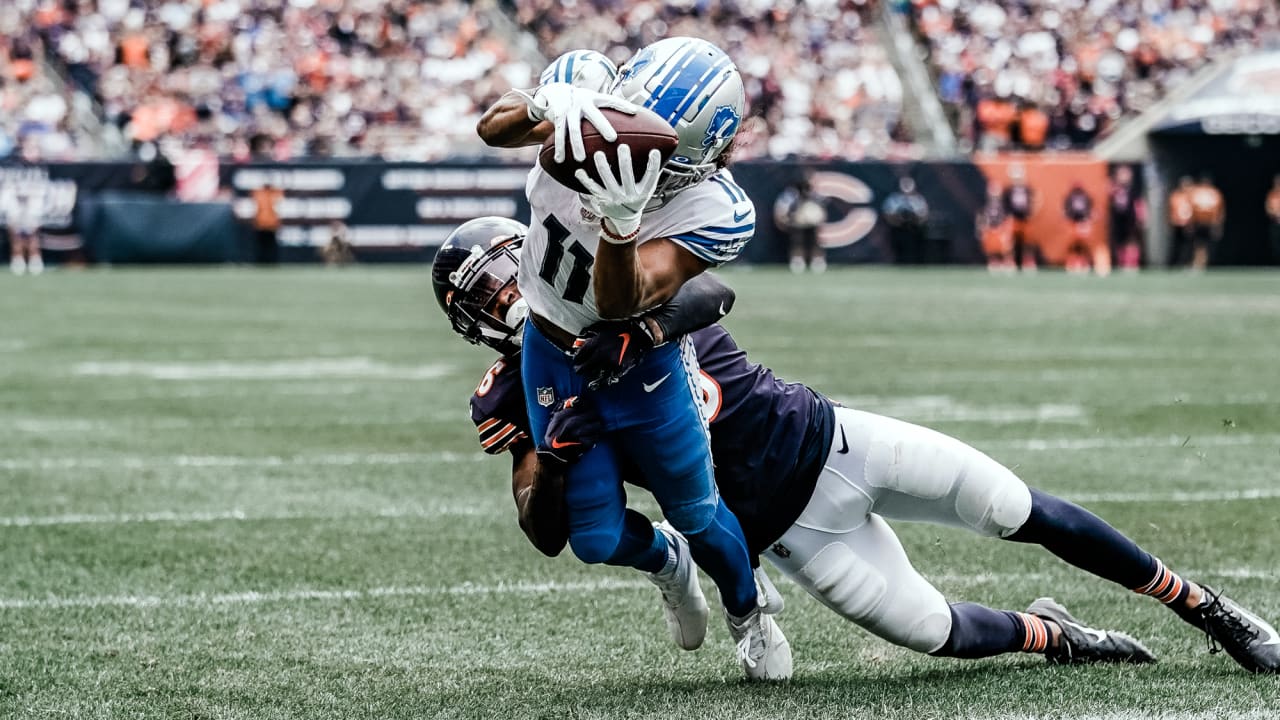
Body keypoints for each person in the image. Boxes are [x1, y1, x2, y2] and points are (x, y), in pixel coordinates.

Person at [434, 217, 1280, 676]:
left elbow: (712, 287)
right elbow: (546, 529)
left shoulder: (612, 283)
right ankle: (1055, 635)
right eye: (493, 289)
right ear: (472, 319)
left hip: (834, 439)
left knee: (1014, 509)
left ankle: (1206, 608)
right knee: (932, 632)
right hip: (793, 533)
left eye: (517, 267)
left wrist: (640, 329)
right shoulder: (515, 393)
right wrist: (552, 449)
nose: (515, 291)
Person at [474, 41, 789, 679]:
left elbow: (627, 299)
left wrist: (620, 224)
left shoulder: (717, 206)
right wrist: (546, 103)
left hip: (641, 368)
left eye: (667, 153)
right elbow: (492, 127)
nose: (641, 156)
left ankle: (750, 615)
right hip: (551, 349)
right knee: (591, 538)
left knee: (698, 513)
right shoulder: (589, 93)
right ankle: (666, 564)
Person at [773, 172, 827, 273]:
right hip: (798, 221)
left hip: (812, 221)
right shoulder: (792, 193)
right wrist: (782, 219)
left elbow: (821, 207)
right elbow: (783, 206)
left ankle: (817, 260)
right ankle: (797, 260)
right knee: (798, 241)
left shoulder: (815, 194)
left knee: (815, 242)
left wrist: (821, 218)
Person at [882, 177, 929, 265]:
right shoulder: (895, 199)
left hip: (914, 229)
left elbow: (924, 214)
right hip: (898, 229)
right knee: (898, 246)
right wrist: (898, 219)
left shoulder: (917, 199)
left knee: (915, 246)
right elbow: (887, 214)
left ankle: (916, 261)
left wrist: (914, 218)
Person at [6, 176, 45, 275]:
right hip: (18, 226)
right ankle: (18, 258)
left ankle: (35, 259)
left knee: (33, 239)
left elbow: (35, 228)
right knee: (16, 238)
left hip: (30, 225)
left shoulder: (35, 203)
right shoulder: (11, 203)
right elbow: (12, 226)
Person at [1108, 166, 1143, 272]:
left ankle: (1131, 263)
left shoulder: (1133, 190)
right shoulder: (1114, 188)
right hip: (1117, 220)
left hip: (1130, 219)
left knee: (1131, 241)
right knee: (1118, 242)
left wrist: (1140, 216)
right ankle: (1120, 262)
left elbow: (1138, 203)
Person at [1187, 174, 1224, 271]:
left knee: (1201, 244)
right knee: (1200, 244)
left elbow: (1219, 210)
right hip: (1204, 222)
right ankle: (1200, 263)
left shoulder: (1199, 192)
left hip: (1203, 222)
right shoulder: (1214, 193)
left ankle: (1200, 263)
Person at [1003, 164, 1036, 271]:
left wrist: (1030, 212)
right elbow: (1005, 204)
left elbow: (1032, 202)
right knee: (1012, 242)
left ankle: (1027, 261)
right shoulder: (1009, 189)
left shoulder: (1027, 188)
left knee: (1027, 241)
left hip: (1025, 218)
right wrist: (1008, 216)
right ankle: (1012, 261)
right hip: (1013, 218)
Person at [977, 183, 1014, 272]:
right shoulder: (986, 204)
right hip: (990, 228)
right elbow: (981, 216)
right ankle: (994, 261)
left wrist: (1006, 229)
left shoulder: (1004, 205)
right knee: (991, 247)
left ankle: (1007, 262)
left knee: (1005, 248)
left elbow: (1008, 217)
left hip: (1001, 228)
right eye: (993, 193)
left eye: (996, 193)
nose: (994, 196)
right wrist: (982, 228)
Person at [1062, 184, 1094, 274]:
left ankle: (1084, 263)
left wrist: (1087, 218)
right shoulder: (1070, 197)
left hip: (1082, 222)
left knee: (1082, 244)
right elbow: (1066, 209)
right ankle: (1072, 262)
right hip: (1073, 222)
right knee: (1073, 244)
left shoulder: (1085, 197)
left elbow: (1089, 208)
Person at [251, 182, 284, 265]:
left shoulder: (274, 193)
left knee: (270, 245)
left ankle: (272, 261)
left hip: (271, 224)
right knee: (262, 245)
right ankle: (261, 261)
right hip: (261, 224)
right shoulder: (260, 194)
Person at [1168, 176, 1195, 267]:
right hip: (1178, 224)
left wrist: (1191, 223)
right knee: (1176, 245)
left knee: (1188, 245)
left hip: (1189, 225)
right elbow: (1171, 209)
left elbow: (1194, 211)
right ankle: (1175, 263)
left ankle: (1187, 263)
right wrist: (1173, 220)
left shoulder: (1192, 196)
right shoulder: (1176, 196)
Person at [1267, 175, 1280, 265]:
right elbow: (1268, 208)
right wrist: (1275, 215)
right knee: (1276, 244)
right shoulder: (1272, 195)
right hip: (1275, 223)